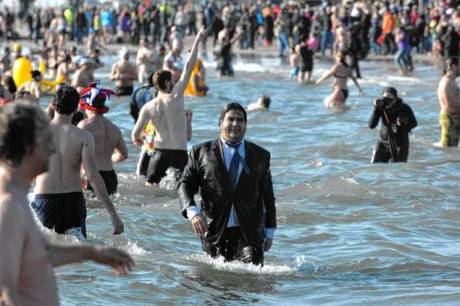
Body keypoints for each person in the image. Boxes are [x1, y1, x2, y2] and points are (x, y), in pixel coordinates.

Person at [0, 102, 134, 306]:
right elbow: (5, 290)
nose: (53, 147)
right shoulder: (9, 206)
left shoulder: (17, 197)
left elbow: (40, 254)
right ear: (28, 146)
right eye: (47, 140)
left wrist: (92, 253)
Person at [178, 103, 277, 266]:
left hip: (250, 231)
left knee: (252, 276)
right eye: (230, 119)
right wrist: (193, 212)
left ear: (246, 124)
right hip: (214, 229)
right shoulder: (200, 152)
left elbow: (268, 195)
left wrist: (270, 230)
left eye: (240, 120)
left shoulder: (260, 155)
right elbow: (185, 184)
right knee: (216, 282)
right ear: (220, 123)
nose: (235, 124)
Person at [32, 85, 124, 239]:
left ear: (53, 105)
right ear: (76, 108)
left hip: (45, 200)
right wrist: (113, 215)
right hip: (73, 202)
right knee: (78, 253)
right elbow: (93, 177)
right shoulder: (84, 137)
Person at [131, 27, 206, 185]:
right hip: (180, 155)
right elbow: (188, 67)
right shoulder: (177, 95)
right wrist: (197, 39)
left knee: (152, 193)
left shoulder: (148, 107)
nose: (174, 83)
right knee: (183, 193)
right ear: (166, 82)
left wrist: (146, 144)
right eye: (172, 80)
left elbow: (135, 136)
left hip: (159, 155)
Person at [78, 83, 128, 195]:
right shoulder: (114, 128)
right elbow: (124, 155)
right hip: (110, 176)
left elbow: (74, 153)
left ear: (87, 107)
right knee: (108, 208)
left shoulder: (84, 125)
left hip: (91, 175)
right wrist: (108, 159)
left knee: (91, 209)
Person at [369, 87, 417, 163]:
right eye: (385, 99)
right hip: (383, 143)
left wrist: (403, 124)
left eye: (390, 99)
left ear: (395, 99)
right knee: (374, 167)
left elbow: (414, 123)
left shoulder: (404, 108)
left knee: (398, 170)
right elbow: (371, 125)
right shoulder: (381, 108)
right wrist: (376, 109)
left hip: (400, 144)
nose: (387, 102)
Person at [437, 57, 460, 147]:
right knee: (449, 152)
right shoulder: (447, 83)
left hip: (452, 120)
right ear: (454, 66)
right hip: (450, 121)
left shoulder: (451, 81)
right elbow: (451, 106)